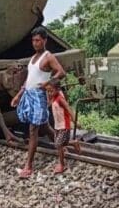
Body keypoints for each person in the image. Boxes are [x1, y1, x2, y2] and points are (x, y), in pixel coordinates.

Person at [10, 27, 65, 178]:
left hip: (39, 96)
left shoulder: (48, 57)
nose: (35, 43)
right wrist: (19, 95)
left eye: (38, 40)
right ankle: (62, 149)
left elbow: (61, 72)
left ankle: (28, 167)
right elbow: (29, 79)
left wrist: (48, 83)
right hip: (29, 94)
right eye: (33, 40)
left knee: (33, 130)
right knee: (45, 127)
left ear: (45, 41)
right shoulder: (33, 58)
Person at [44, 78, 81, 174]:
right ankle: (74, 143)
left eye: (51, 91)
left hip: (64, 125)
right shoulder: (53, 98)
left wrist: (75, 121)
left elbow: (68, 108)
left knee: (58, 144)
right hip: (57, 125)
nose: (49, 93)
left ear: (57, 89)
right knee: (62, 142)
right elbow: (48, 101)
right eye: (48, 91)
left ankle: (62, 164)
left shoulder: (60, 98)